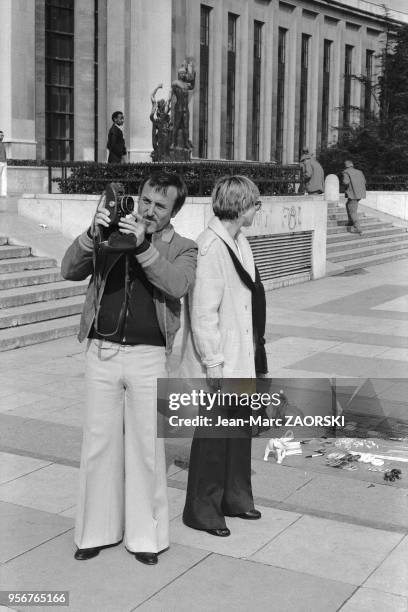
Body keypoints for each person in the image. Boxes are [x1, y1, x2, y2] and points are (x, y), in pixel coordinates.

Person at [61, 172, 197, 565]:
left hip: (148, 356)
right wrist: (92, 235)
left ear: (174, 212)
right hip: (101, 350)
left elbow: (177, 285)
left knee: (146, 450)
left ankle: (146, 538)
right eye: (146, 201)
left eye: (160, 206)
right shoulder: (108, 234)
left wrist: (141, 247)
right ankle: (94, 532)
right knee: (97, 444)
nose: (149, 211)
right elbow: (69, 269)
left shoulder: (184, 248)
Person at [179, 175, 266, 537]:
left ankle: (235, 496)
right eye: (255, 203)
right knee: (214, 436)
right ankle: (202, 509)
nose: (258, 209)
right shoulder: (211, 247)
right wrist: (213, 362)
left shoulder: (239, 241)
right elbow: (203, 312)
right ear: (240, 205)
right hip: (222, 358)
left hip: (243, 354)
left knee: (239, 432)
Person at [342, 160, 366, 235]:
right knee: (347, 204)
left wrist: (343, 183)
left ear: (346, 165)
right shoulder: (360, 172)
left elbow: (346, 182)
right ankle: (350, 221)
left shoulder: (346, 172)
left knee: (352, 211)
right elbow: (364, 181)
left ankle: (357, 228)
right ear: (352, 165)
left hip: (352, 194)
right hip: (360, 194)